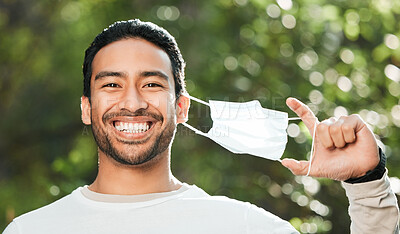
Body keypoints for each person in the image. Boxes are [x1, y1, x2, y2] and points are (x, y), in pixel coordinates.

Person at [3, 19, 399, 234]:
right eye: (111, 84)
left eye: (152, 84)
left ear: (183, 107)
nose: (133, 102)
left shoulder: (244, 226)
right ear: (87, 108)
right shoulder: (31, 231)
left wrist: (368, 187)